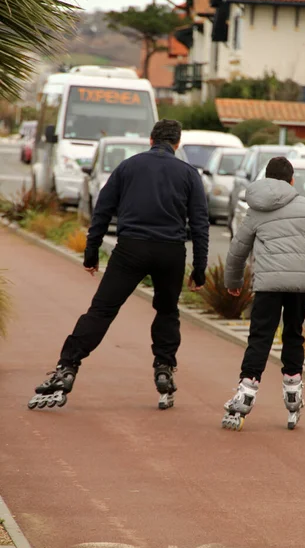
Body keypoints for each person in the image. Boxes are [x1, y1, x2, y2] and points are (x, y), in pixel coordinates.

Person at [28, 119, 209, 411]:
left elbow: (102, 210)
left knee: (101, 311)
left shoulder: (127, 167)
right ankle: (164, 367)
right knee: (167, 310)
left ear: (150, 140)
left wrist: (91, 252)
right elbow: (200, 224)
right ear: (177, 144)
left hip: (130, 249)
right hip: (170, 252)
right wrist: (199, 269)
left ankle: (67, 367)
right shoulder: (189, 173)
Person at [221, 157, 305, 431]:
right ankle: (293, 393)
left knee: (260, 336)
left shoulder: (256, 209)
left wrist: (233, 280)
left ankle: (246, 391)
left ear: (267, 178)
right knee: (293, 334)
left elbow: (238, 249)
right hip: (301, 285)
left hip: (268, 285)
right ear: (292, 180)